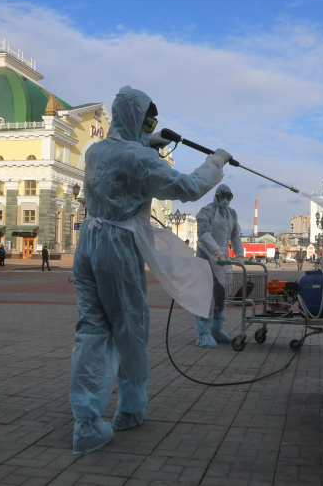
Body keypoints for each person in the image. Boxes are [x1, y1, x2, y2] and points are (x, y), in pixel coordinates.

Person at [70, 86, 231, 455]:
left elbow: (123, 155)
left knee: (91, 330)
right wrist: (216, 162)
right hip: (117, 249)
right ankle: (129, 409)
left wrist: (148, 143)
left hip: (89, 244)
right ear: (139, 120)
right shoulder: (139, 160)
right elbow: (188, 188)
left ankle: (87, 423)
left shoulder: (96, 151)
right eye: (149, 121)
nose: (152, 126)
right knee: (130, 328)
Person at [195, 184, 245, 348]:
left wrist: (239, 255)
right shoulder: (206, 210)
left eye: (228, 197)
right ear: (216, 195)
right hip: (206, 254)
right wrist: (217, 253)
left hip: (223, 257)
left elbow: (235, 235)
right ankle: (203, 333)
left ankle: (217, 329)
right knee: (205, 294)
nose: (225, 200)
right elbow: (204, 234)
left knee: (221, 293)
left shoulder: (232, 214)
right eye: (222, 195)